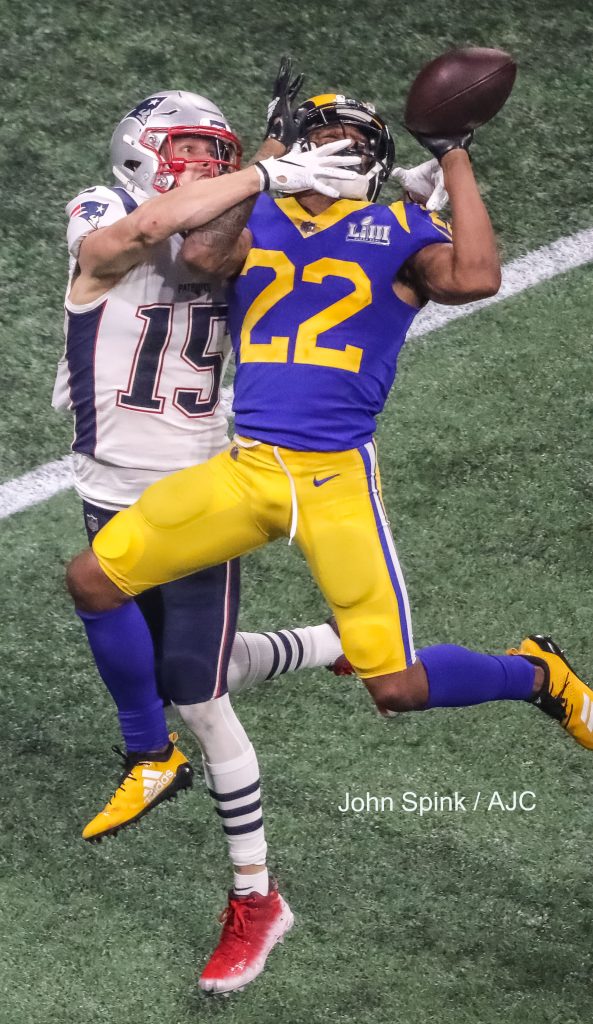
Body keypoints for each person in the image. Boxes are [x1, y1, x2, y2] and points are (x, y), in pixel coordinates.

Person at [65, 90, 593, 994]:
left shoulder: (398, 229)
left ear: (378, 161)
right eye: (324, 136)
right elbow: (200, 251)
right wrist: (271, 163)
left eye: (355, 142)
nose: (337, 151)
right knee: (92, 579)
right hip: (245, 469)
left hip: (335, 483)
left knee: (398, 690)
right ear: (298, 145)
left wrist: (453, 154)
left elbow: (475, 278)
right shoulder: (255, 210)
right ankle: (157, 754)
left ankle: (536, 673)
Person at [57, 67, 365, 994]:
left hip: (199, 487)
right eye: (187, 157)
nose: (197, 172)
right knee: (197, 664)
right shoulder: (99, 208)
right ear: (139, 155)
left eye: (213, 161)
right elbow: (139, 237)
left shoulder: (228, 235)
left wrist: (319, 177)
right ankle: (335, 642)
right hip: (106, 481)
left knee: (193, 688)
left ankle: (255, 893)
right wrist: (266, 170)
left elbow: (210, 252)